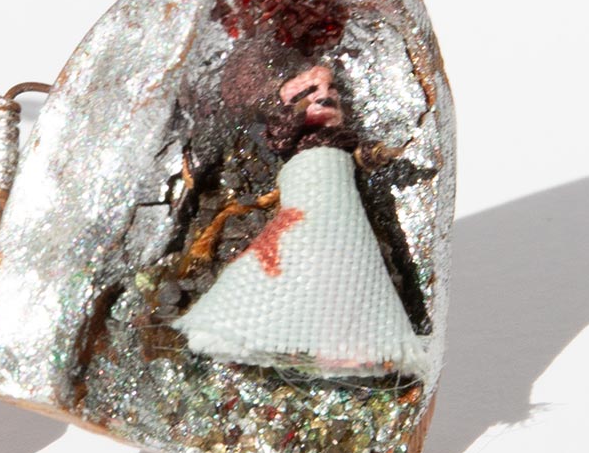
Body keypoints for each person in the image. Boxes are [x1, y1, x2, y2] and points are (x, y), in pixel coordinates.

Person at [173, 29, 427, 378]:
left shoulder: (340, 137)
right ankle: (239, 327)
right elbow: (279, 138)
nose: (326, 96)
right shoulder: (291, 133)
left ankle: (349, 347)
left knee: (347, 270)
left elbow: (361, 154)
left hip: (340, 198)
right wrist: (297, 111)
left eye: (330, 91)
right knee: (295, 259)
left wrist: (381, 153)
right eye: (312, 91)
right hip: (309, 191)